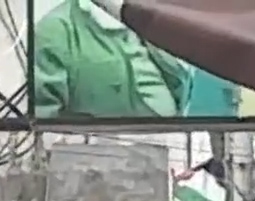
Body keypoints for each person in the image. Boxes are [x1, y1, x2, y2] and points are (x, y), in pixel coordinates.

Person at [32, 0, 196, 120]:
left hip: (178, 144)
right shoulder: (55, 30)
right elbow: (44, 126)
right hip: (104, 151)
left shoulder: (159, 17)